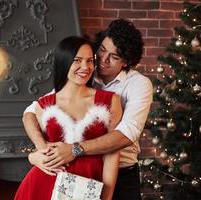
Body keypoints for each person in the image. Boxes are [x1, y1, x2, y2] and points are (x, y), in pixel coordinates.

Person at [23, 19, 153, 200]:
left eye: (114, 57)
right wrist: (39, 152)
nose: (104, 60)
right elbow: (32, 111)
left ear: (126, 62)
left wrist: (75, 149)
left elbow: (126, 134)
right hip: (76, 175)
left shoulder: (138, 85)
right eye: (102, 50)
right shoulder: (84, 74)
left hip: (121, 173)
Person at [14, 36, 122, 200]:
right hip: (43, 186)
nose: (85, 67)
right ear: (64, 62)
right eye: (77, 60)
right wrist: (33, 157)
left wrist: (106, 196)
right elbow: (43, 150)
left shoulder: (110, 101)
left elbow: (113, 152)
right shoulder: (44, 105)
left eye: (89, 60)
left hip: (89, 187)